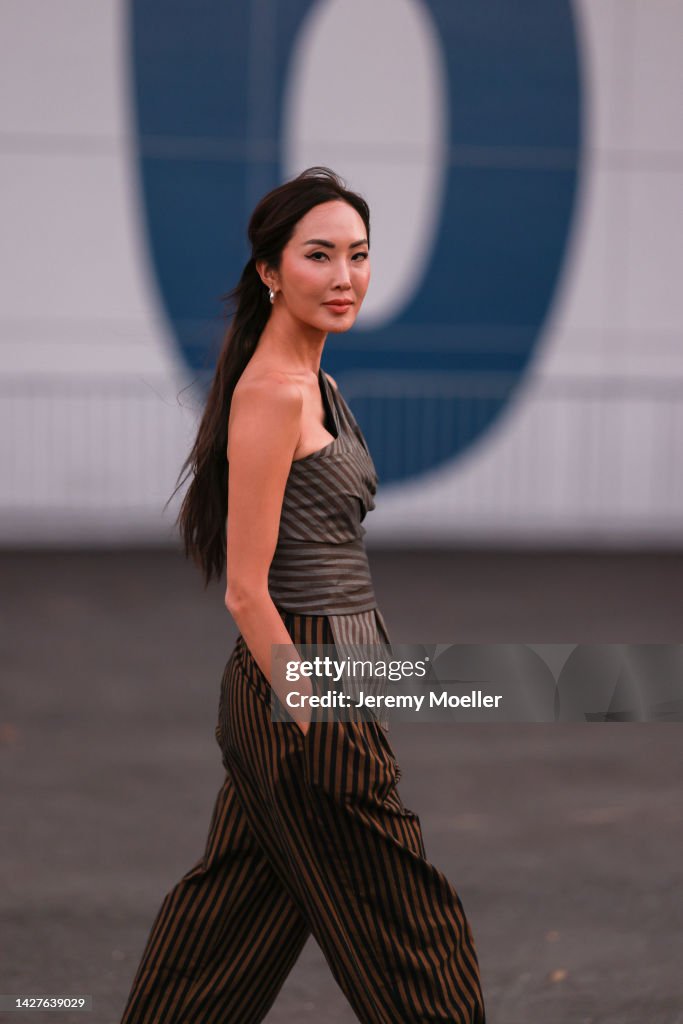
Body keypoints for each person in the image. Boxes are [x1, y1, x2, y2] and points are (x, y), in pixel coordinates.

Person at [120, 166, 486, 1024]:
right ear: (271, 273)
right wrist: (315, 718)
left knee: (228, 922)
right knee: (406, 922)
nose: (345, 276)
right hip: (307, 682)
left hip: (336, 670)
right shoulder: (274, 394)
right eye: (318, 255)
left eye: (358, 255)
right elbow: (246, 589)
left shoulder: (317, 384)